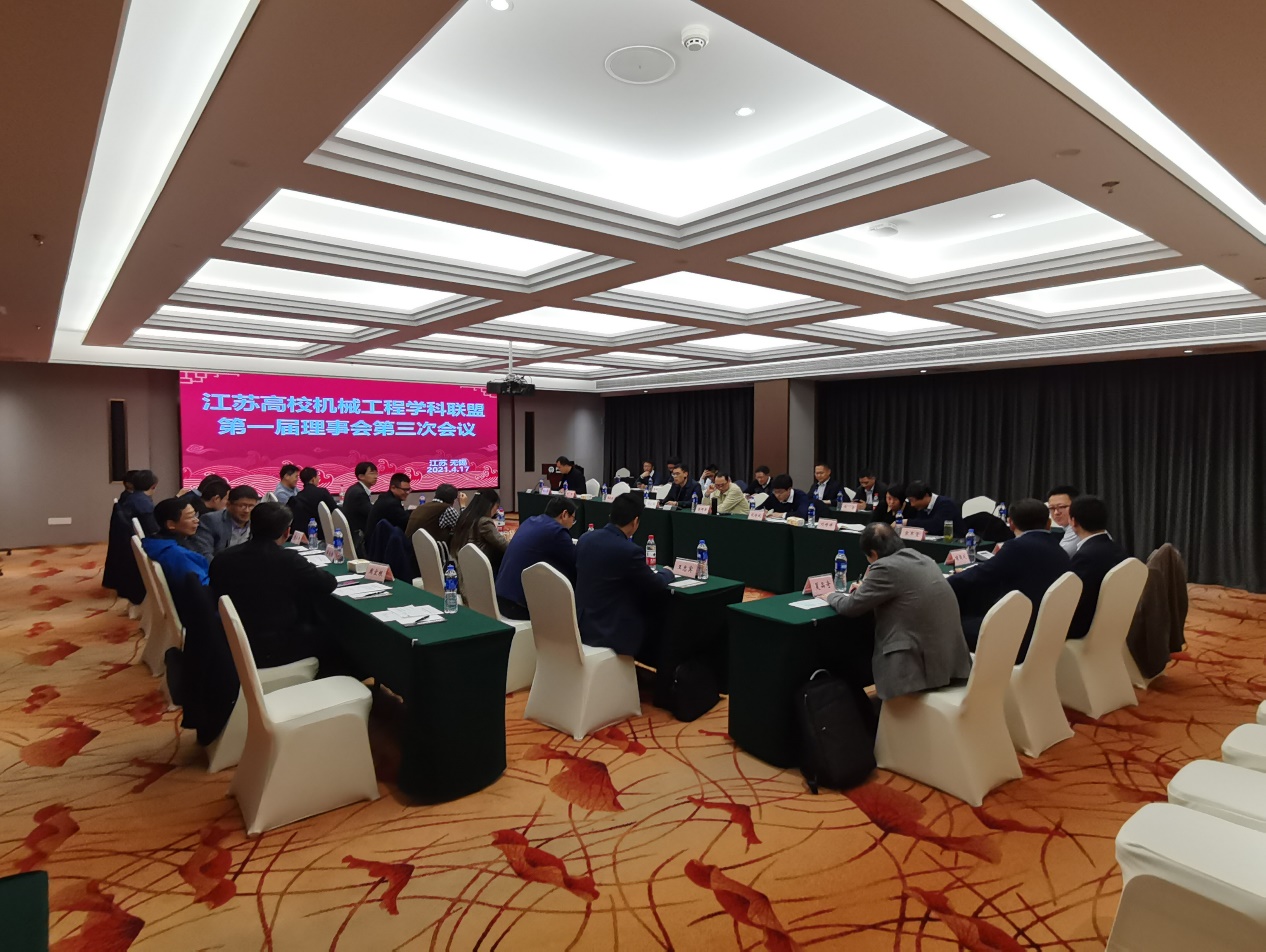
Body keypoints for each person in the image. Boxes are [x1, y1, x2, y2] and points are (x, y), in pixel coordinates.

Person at [826, 522, 972, 700]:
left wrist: (830, 595)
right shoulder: (924, 559)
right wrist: (867, 588)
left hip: (919, 670)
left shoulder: (885, 567)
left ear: (873, 554)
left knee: (849, 663)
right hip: (952, 663)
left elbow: (850, 606)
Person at [209, 501, 340, 669]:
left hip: (228, 640)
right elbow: (328, 583)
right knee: (333, 638)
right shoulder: (288, 559)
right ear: (286, 532)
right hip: (273, 645)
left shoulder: (222, 558)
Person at [947, 497, 1071, 661]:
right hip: (1047, 632)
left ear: (1011, 523)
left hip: (1018, 634)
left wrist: (945, 583)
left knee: (949, 624)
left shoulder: (1017, 547)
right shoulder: (1060, 551)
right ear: (1048, 524)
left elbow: (982, 575)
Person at [574, 493, 671, 660]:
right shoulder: (629, 551)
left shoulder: (585, 538)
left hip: (581, 625)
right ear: (635, 521)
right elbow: (655, 584)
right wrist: (668, 573)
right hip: (610, 632)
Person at [496, 496, 577, 620]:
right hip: (517, 606)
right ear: (564, 514)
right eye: (573, 519)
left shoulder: (530, 521)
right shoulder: (557, 532)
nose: (573, 523)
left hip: (500, 597)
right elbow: (574, 564)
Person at [1066, 495, 1130, 640]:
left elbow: (1076, 601)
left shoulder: (1085, 557)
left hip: (1087, 630)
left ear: (1073, 521)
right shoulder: (1118, 549)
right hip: (1117, 625)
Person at [141, 497, 210, 586]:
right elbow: (203, 585)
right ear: (171, 524)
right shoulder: (177, 554)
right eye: (190, 517)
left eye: (195, 515)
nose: (197, 520)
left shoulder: (155, 541)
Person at [450, 489, 508, 589]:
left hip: (461, 570)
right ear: (490, 505)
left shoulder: (465, 516)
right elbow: (505, 546)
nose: (496, 511)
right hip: (478, 573)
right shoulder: (484, 522)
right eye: (496, 507)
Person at [191, 485, 259, 559]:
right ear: (228, 505)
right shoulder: (211, 520)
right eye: (242, 506)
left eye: (251, 506)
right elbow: (204, 553)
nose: (247, 510)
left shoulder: (257, 523)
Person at [287, 467, 338, 538]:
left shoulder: (297, 497)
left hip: (301, 535)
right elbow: (335, 511)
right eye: (318, 477)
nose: (319, 479)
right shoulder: (322, 492)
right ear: (313, 480)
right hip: (321, 534)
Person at [364, 472, 412, 541]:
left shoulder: (385, 497)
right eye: (405, 490)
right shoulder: (391, 503)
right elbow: (407, 521)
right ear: (393, 488)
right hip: (378, 545)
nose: (407, 493)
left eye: (409, 490)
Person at [340, 461, 378, 543]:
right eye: (372, 473)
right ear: (361, 476)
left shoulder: (354, 488)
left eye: (376, 473)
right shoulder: (359, 493)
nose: (376, 476)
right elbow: (372, 514)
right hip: (358, 537)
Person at [119, 469, 160, 537]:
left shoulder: (132, 497)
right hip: (149, 538)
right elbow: (153, 530)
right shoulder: (144, 503)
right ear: (153, 486)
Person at [1047, 485, 1079, 557]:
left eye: (1061, 507)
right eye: (1052, 508)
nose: (1056, 513)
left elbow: (1057, 557)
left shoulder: (1077, 527)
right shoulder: (1067, 527)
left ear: (1076, 505)